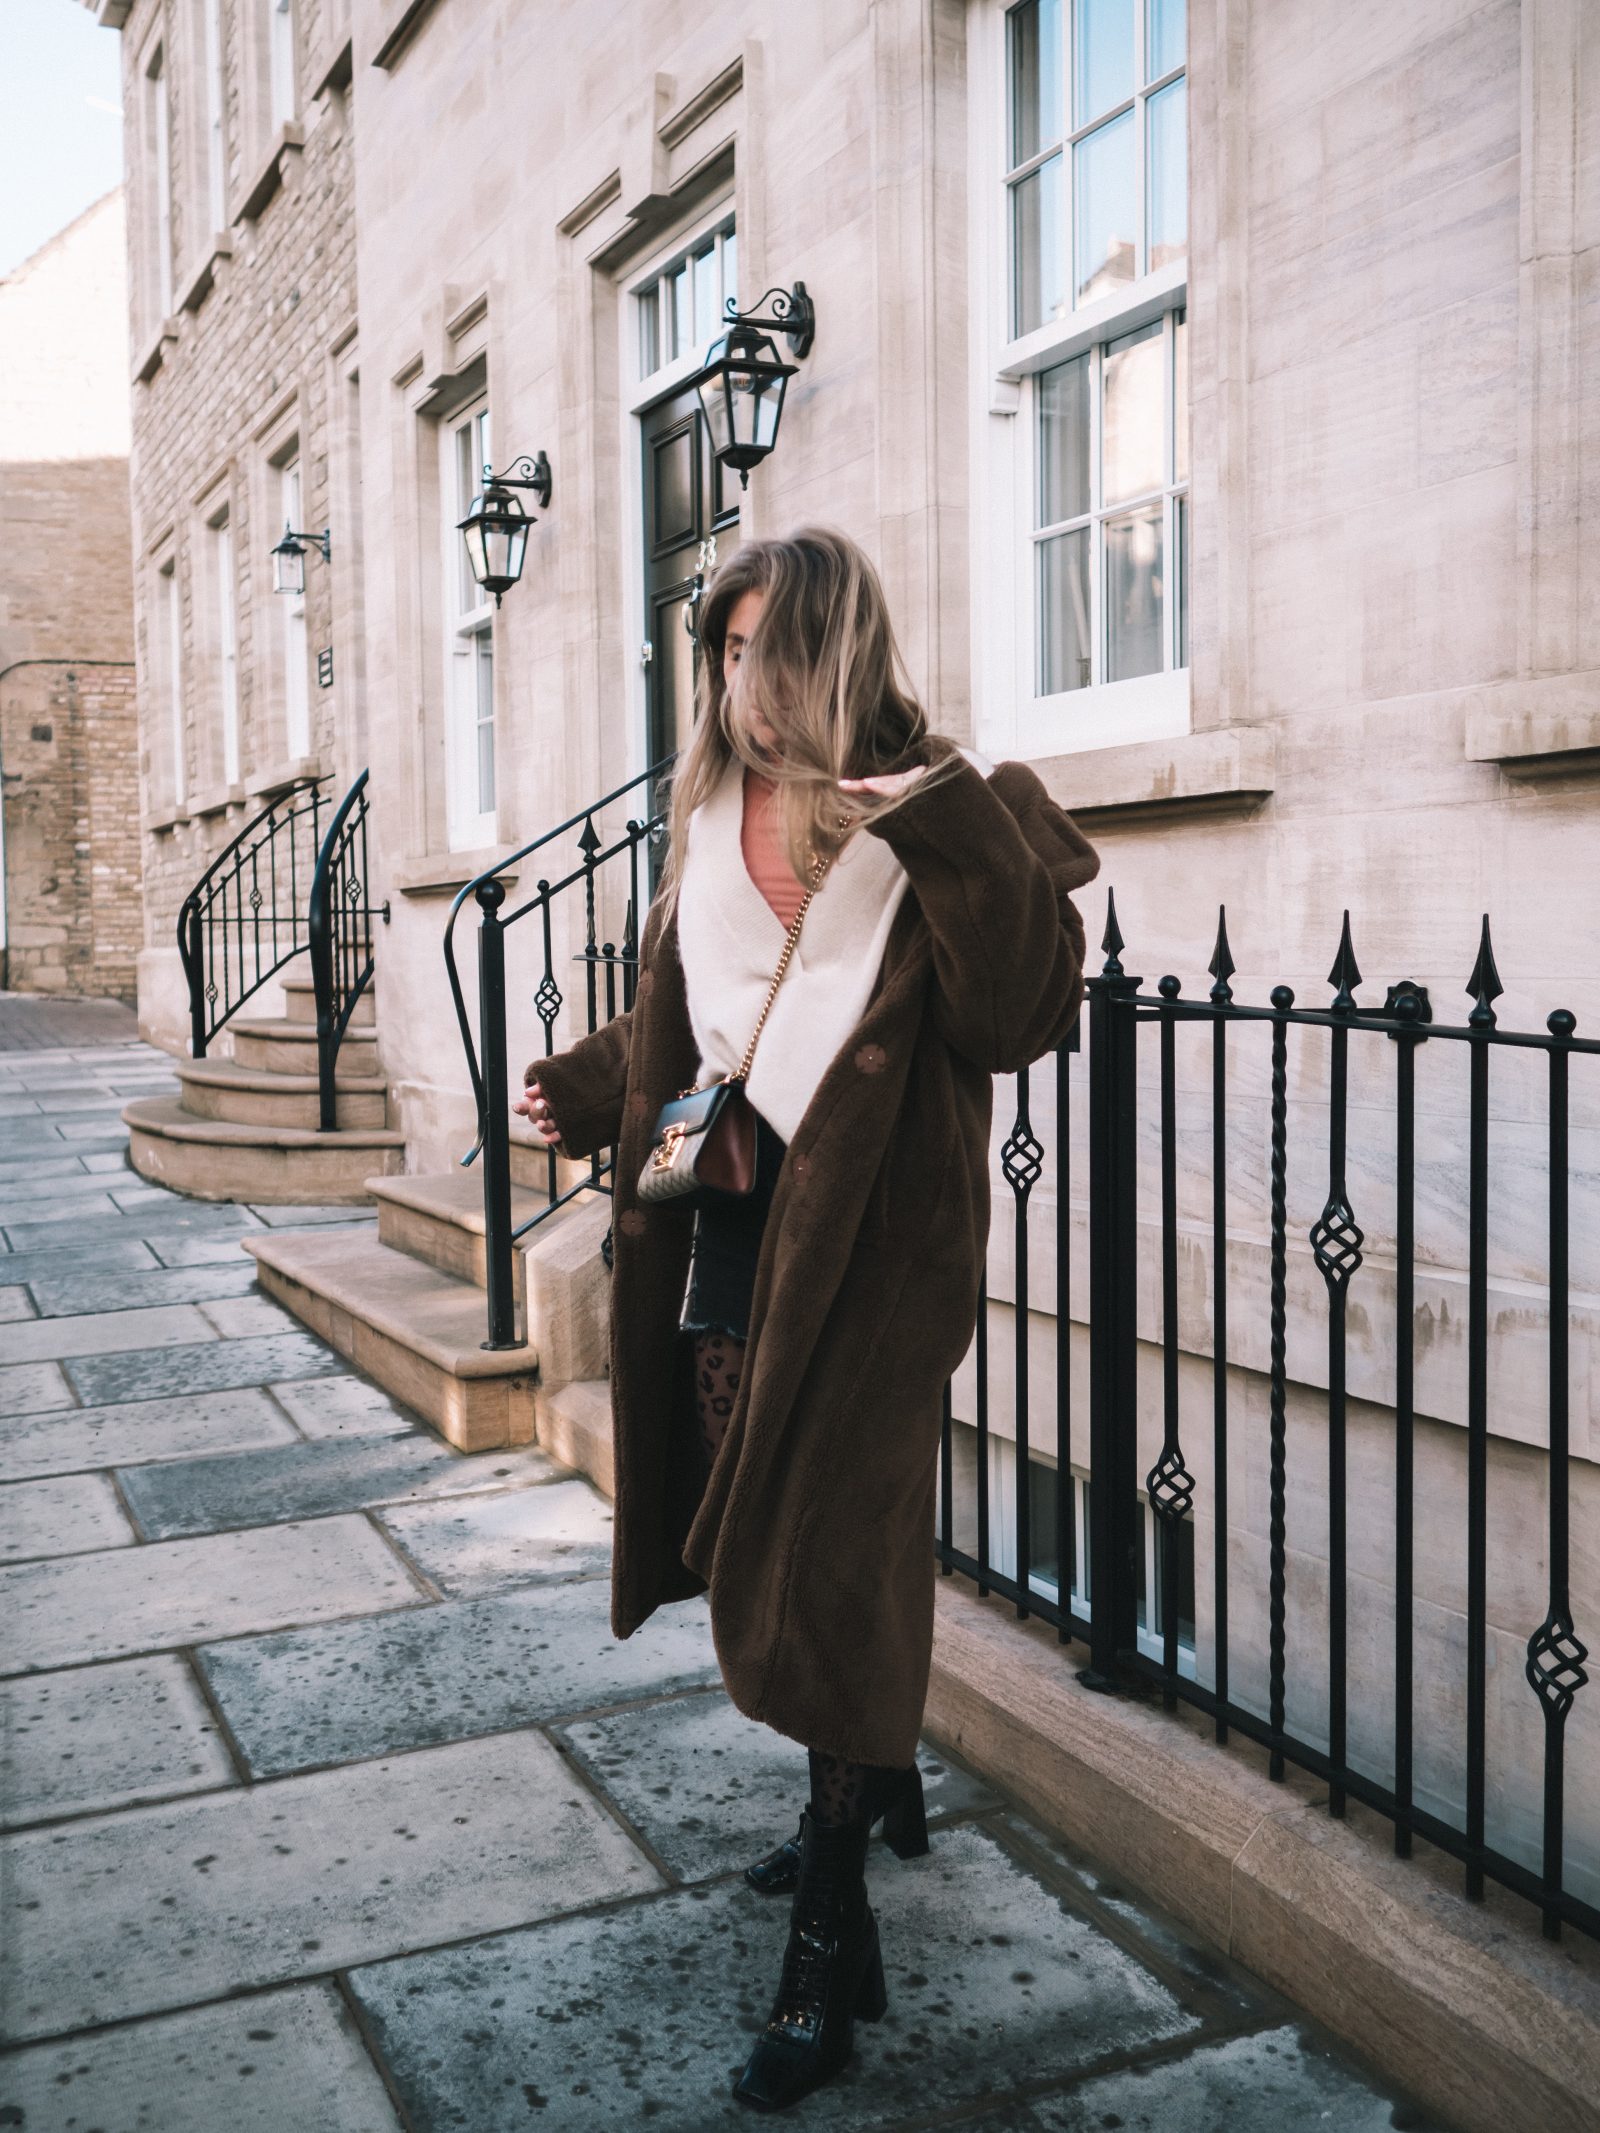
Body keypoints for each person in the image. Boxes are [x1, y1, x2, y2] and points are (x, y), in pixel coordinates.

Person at [514, 526, 1099, 2111]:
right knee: (759, 1509)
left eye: (768, 650)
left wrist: (945, 833)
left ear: (836, 652)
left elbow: (1022, 1013)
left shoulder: (940, 808)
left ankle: (832, 1945)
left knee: (828, 1549)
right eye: (721, 650)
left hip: (879, 1247)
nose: (739, 682)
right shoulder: (710, 810)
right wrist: (589, 1086)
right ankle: (875, 1776)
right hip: (730, 1219)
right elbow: (686, 1006)